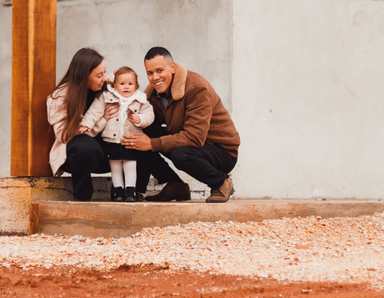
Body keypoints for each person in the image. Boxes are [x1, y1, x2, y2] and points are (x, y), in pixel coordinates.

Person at [121, 46, 241, 203]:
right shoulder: (152, 95)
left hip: (221, 151)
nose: (155, 77)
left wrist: (151, 143)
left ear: (172, 67)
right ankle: (176, 185)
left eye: (159, 70)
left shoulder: (197, 88)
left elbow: (195, 137)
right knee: (141, 130)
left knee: (179, 154)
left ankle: (221, 182)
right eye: (150, 73)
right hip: (191, 144)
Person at [47, 47, 115, 201]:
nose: (104, 78)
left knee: (134, 141)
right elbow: (63, 135)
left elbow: (115, 78)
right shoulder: (59, 98)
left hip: (104, 153)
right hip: (77, 155)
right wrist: (102, 120)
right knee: (85, 147)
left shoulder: (104, 84)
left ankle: (125, 192)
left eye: (105, 72)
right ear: (83, 76)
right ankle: (82, 196)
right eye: (99, 75)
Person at [81, 66, 155, 202]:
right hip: (111, 140)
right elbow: (94, 111)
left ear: (136, 86)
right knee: (115, 168)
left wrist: (140, 120)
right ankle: (118, 192)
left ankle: (130, 192)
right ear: (115, 86)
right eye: (122, 84)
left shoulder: (140, 100)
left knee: (130, 166)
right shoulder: (107, 97)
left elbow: (149, 115)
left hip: (130, 140)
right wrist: (87, 123)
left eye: (130, 84)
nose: (126, 87)